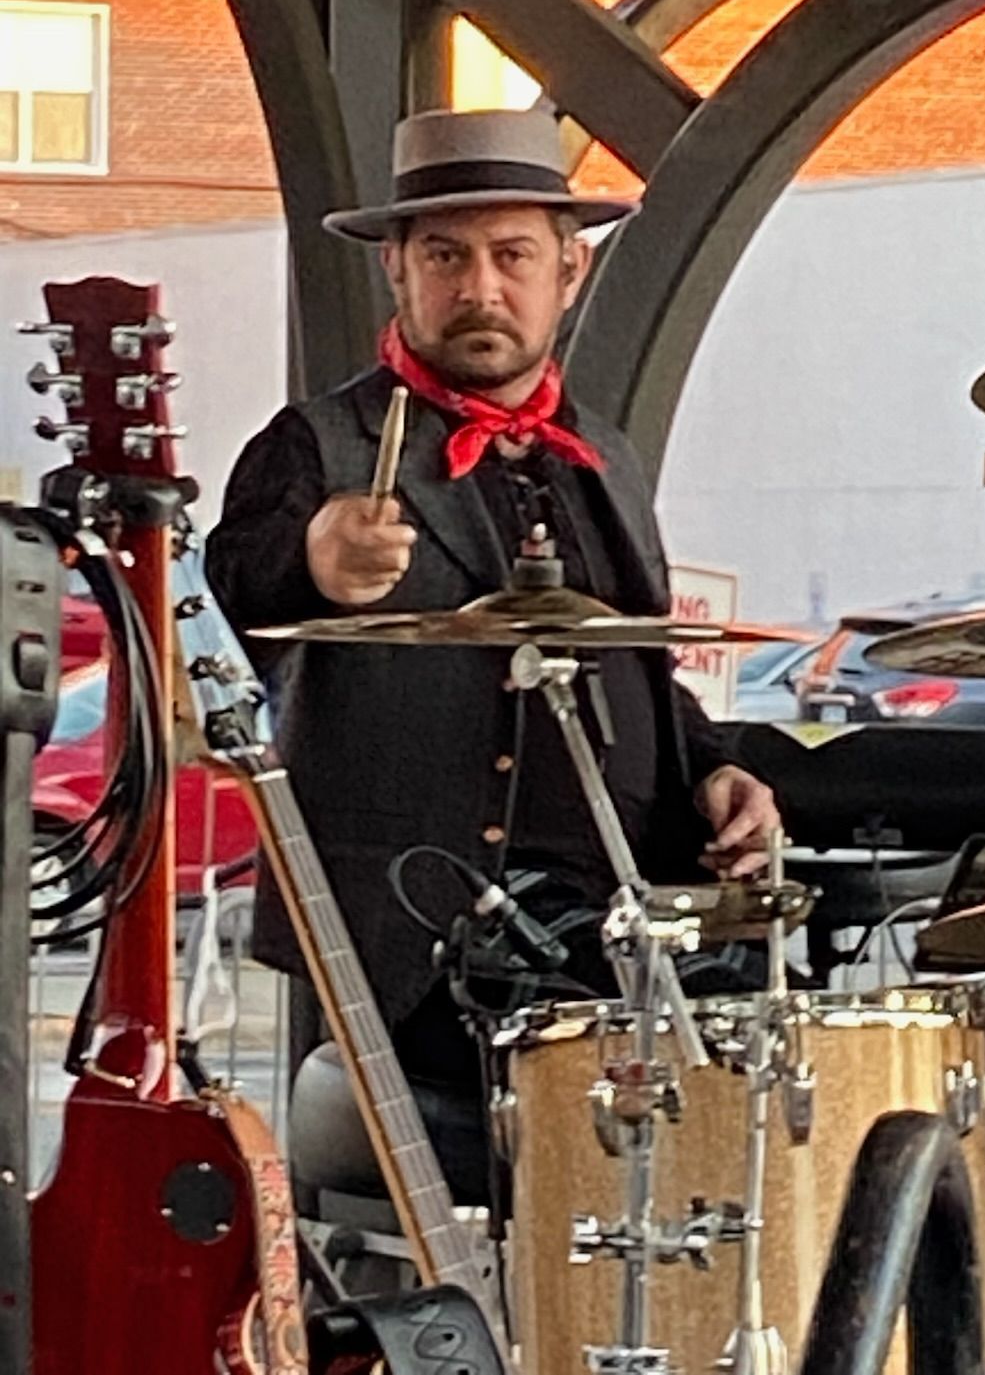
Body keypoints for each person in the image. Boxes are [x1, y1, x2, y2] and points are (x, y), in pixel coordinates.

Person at [207, 107, 780, 1173]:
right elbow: (242, 581)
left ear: (568, 271)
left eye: (512, 255)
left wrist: (714, 772)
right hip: (414, 953)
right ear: (397, 270)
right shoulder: (317, 444)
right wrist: (318, 562)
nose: (480, 288)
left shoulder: (602, 458)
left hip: (608, 917)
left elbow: (635, 668)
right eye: (446, 257)